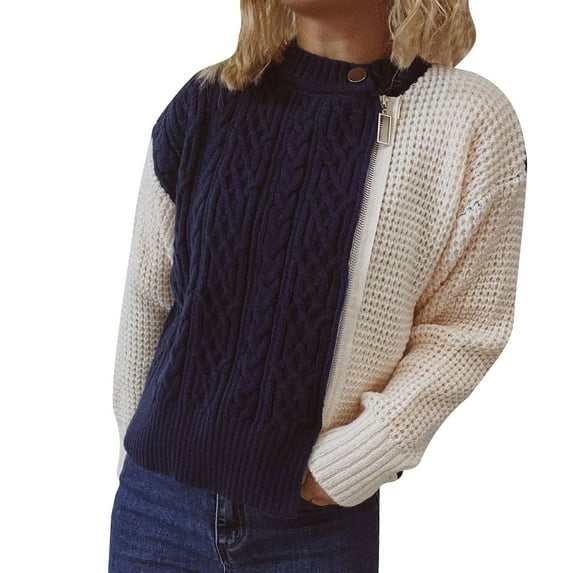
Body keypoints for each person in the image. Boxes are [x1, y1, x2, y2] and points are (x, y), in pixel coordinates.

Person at [108, 0, 527, 571]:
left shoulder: (467, 118)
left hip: (311, 526)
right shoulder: (209, 100)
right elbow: (149, 295)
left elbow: (464, 327)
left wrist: (354, 462)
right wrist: (136, 448)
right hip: (157, 509)